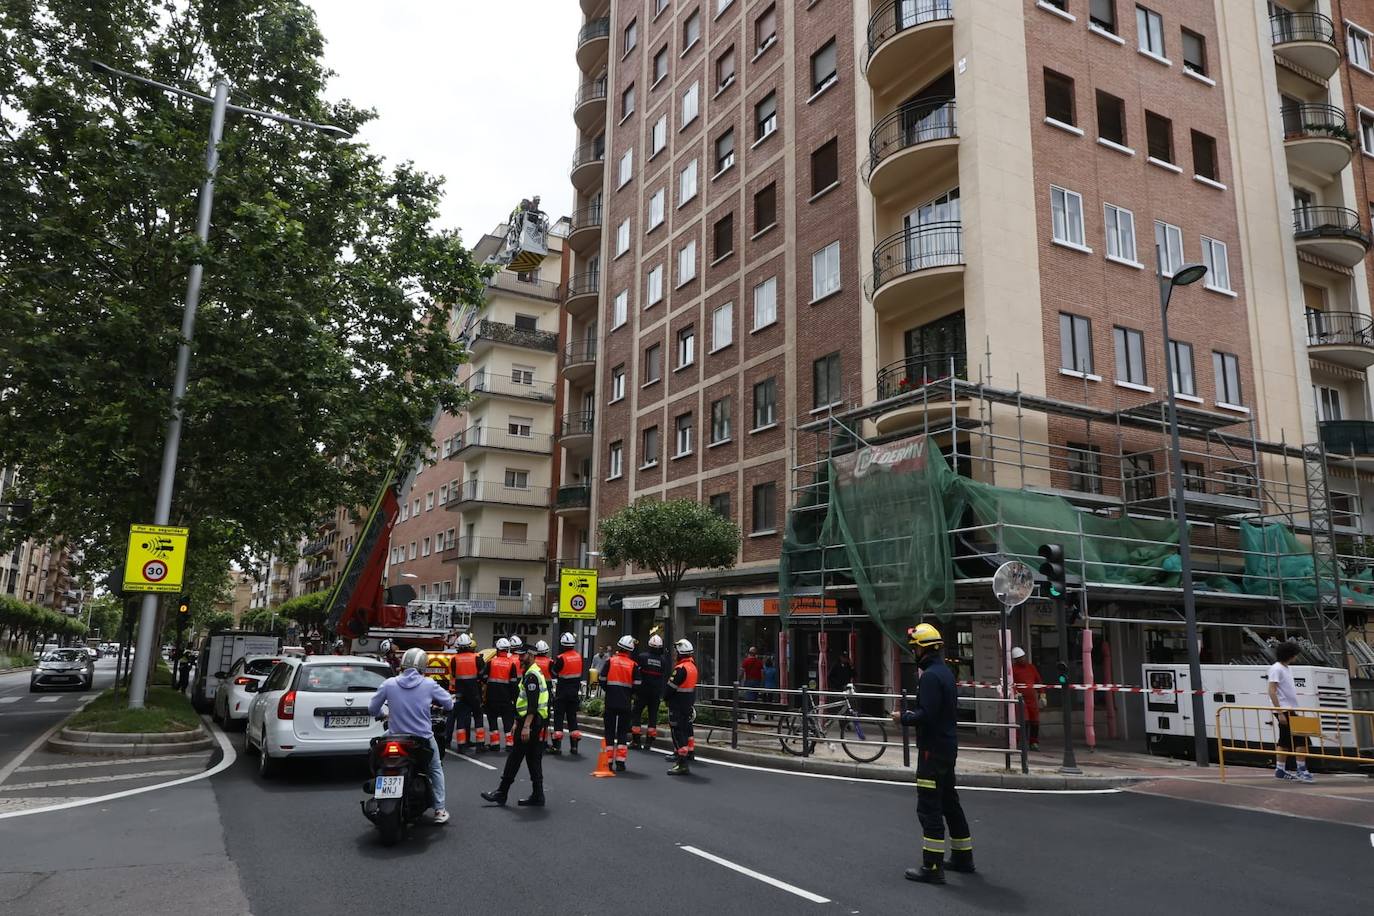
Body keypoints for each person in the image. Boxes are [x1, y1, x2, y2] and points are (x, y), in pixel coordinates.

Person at [893, 623, 974, 885]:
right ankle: (963, 857)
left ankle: (932, 866)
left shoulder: (928, 677)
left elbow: (926, 715)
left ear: (923, 649)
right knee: (950, 801)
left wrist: (902, 717)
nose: (913, 651)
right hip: (948, 746)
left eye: (915, 647)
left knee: (929, 806)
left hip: (931, 750)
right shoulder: (946, 673)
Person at [369, 647, 454, 824]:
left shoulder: (389, 684)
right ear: (423, 666)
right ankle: (439, 809)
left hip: (394, 735)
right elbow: (448, 704)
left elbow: (372, 709)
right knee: (435, 769)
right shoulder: (429, 684)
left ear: (403, 664)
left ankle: (377, 791)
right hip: (422, 738)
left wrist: (383, 714)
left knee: (374, 753)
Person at [481, 641, 550, 807]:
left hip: (531, 724)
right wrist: (517, 722)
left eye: (522, 655)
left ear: (531, 656)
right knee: (533, 759)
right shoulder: (531, 673)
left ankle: (502, 793)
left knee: (515, 758)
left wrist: (525, 725)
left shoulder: (532, 676)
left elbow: (532, 705)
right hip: (532, 723)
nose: (519, 658)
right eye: (518, 655)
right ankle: (538, 795)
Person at [1269, 641, 1314, 782]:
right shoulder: (1276, 669)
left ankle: (1280, 770)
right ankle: (1301, 769)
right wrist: (1280, 711)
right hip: (1284, 709)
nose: (1296, 657)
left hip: (1289, 708)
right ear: (1290, 655)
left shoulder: (1286, 668)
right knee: (1302, 739)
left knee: (1285, 740)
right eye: (1295, 654)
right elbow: (1272, 690)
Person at [599, 635, 639, 771]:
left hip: (610, 701)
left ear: (619, 647)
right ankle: (620, 763)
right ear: (630, 651)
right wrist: (630, 694)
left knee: (609, 731)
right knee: (622, 732)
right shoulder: (633, 665)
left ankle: (608, 762)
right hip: (625, 703)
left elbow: (602, 678)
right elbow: (638, 684)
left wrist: (608, 690)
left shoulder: (610, 661)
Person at [665, 639, 699, 776]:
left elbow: (670, 689)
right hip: (687, 704)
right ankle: (687, 756)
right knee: (685, 731)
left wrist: (665, 698)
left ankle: (682, 763)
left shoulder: (680, 669)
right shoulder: (693, 667)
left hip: (677, 705)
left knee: (678, 733)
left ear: (680, 653)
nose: (675, 655)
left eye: (676, 652)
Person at [450, 634, 486, 753]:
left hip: (461, 693)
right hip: (475, 692)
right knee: (478, 717)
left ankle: (461, 745)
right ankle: (480, 745)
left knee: (461, 717)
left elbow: (454, 675)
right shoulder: (477, 658)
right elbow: (482, 675)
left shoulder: (454, 659)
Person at [630, 634, 667, 750]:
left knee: (636, 713)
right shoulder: (663, 661)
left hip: (642, 692)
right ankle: (649, 742)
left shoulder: (642, 657)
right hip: (655, 693)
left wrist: (633, 690)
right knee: (653, 716)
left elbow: (636, 673)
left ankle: (636, 741)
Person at [550, 632, 584, 755]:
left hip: (562, 692)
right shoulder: (579, 657)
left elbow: (554, 672)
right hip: (574, 692)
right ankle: (574, 747)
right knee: (572, 718)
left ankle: (557, 747)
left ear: (563, 645)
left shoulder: (561, 658)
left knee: (559, 718)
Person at [485, 638, 520, 751]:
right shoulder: (511, 664)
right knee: (508, 721)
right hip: (507, 698)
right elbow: (514, 685)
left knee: (493, 721)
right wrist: (515, 700)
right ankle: (510, 745)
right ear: (507, 649)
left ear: (497, 649)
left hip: (492, 697)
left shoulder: (491, 662)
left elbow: (483, 677)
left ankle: (495, 744)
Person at [1010, 647, 1045, 752]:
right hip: (1021, 699)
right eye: (1019, 658)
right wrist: (1016, 693)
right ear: (1015, 659)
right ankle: (1022, 742)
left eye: (1023, 657)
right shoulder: (1013, 669)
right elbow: (1011, 684)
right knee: (1024, 721)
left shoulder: (1031, 668)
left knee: (1035, 721)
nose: (1022, 659)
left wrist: (1042, 694)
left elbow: (1038, 681)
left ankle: (1034, 742)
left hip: (1032, 699)